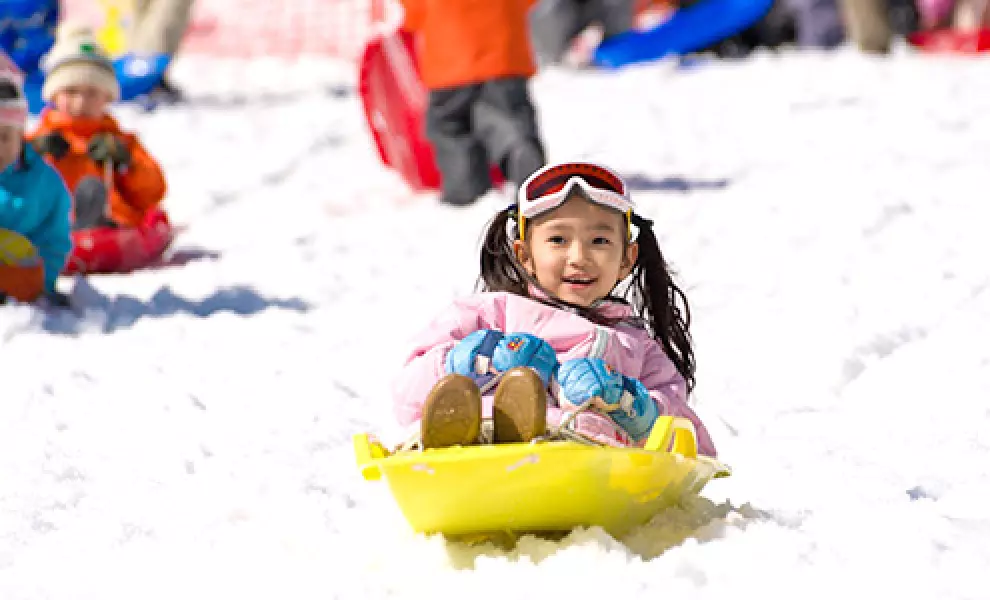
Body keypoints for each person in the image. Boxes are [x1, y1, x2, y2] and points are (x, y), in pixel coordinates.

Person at [392, 161, 717, 456]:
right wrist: (468, 361)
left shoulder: (635, 344)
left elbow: (684, 438)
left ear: (626, 260)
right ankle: (463, 440)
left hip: (583, 454)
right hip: (479, 435)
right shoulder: (490, 314)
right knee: (478, 402)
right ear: (524, 255)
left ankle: (532, 436)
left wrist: (627, 402)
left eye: (600, 241)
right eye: (558, 240)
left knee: (581, 428)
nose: (579, 257)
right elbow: (406, 393)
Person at [398, 0, 546, 206]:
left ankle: (465, 191)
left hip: (449, 58)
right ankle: (517, 145)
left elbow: (413, 15)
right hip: (504, 53)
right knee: (507, 115)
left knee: (452, 129)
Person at [28, 24, 167, 230]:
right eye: (71, 92)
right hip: (46, 224)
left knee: (92, 190)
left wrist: (127, 164)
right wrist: (31, 157)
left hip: (110, 224)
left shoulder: (120, 141)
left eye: (91, 93)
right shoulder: (37, 140)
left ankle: (90, 223)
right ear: (54, 95)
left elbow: (153, 191)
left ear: (107, 97)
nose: (80, 102)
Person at [0, 53, 72, 306]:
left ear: (21, 133)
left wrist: (42, 283)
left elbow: (54, 240)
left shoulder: (44, 184)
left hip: (21, 277)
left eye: (4, 137)